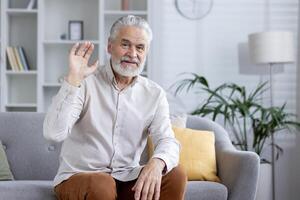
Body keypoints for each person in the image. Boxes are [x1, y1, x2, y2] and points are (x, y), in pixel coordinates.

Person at [43, 15, 187, 200]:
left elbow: (167, 139)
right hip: (79, 177)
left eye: (140, 47)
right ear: (110, 46)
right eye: (125, 45)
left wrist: (158, 162)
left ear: (146, 52)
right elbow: (53, 133)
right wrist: (72, 81)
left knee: (175, 175)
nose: (133, 53)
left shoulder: (154, 94)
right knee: (102, 183)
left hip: (126, 177)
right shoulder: (85, 83)